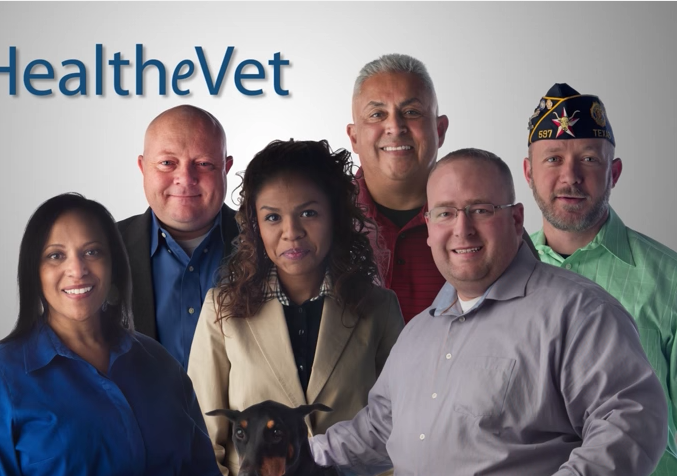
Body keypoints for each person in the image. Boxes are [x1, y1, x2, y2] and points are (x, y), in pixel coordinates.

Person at [310, 149, 668, 475]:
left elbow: (630, 421)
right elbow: (376, 430)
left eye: (480, 210)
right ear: (430, 230)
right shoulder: (417, 333)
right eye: (445, 213)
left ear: (515, 220)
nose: (462, 229)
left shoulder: (579, 313)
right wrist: (287, 456)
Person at [0, 193, 221, 476]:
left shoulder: (160, 364)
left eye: (92, 252)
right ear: (35, 272)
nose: (77, 270)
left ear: (114, 264)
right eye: (56, 256)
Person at [188, 140, 404, 476]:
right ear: (255, 226)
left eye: (308, 213)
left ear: (335, 216)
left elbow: (401, 424)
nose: (292, 233)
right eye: (273, 217)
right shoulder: (222, 311)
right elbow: (199, 438)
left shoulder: (380, 308)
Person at [524, 83, 677, 475]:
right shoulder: (499, 276)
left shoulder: (674, 281)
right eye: (553, 159)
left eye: (589, 159)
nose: (570, 176)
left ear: (614, 172)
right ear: (528, 172)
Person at [348, 54, 538, 322]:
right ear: (354, 137)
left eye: (411, 112)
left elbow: (534, 316)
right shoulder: (324, 220)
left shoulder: (491, 221)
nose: (395, 126)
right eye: (377, 114)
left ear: (440, 129)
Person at [118, 105, 239, 369]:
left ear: (226, 168)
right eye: (167, 163)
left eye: (204, 164)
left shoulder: (270, 243)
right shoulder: (103, 249)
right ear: (142, 167)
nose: (185, 178)